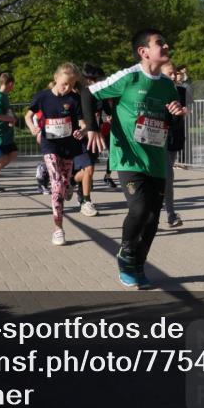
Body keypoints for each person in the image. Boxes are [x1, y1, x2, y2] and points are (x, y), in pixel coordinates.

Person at [82, 29, 186, 288]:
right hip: (128, 157)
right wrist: (92, 128)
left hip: (156, 160)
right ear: (144, 51)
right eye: (159, 43)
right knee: (139, 208)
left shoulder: (167, 85)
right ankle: (126, 254)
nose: (166, 46)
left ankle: (139, 264)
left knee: (152, 218)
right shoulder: (129, 77)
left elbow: (171, 121)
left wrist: (176, 114)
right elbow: (88, 93)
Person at [25, 63, 86, 246]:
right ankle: (58, 229)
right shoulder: (42, 97)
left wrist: (82, 131)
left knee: (64, 184)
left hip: (68, 147)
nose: (67, 88)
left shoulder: (74, 99)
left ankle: (69, 186)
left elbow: (83, 123)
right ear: (56, 78)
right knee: (56, 183)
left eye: (71, 84)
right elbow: (28, 116)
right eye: (64, 83)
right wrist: (33, 128)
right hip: (49, 145)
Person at [71, 64, 105, 216]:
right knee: (89, 169)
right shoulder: (76, 96)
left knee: (87, 172)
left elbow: (106, 113)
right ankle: (86, 202)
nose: (94, 82)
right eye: (91, 79)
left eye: (97, 79)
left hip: (94, 137)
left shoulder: (100, 96)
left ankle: (72, 182)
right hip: (79, 137)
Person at [160, 62, 186, 228]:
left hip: (174, 137)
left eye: (175, 73)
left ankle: (168, 212)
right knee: (167, 176)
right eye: (169, 73)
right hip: (157, 138)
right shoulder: (155, 91)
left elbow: (185, 110)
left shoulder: (181, 91)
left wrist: (184, 112)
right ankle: (169, 214)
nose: (174, 76)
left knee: (167, 178)